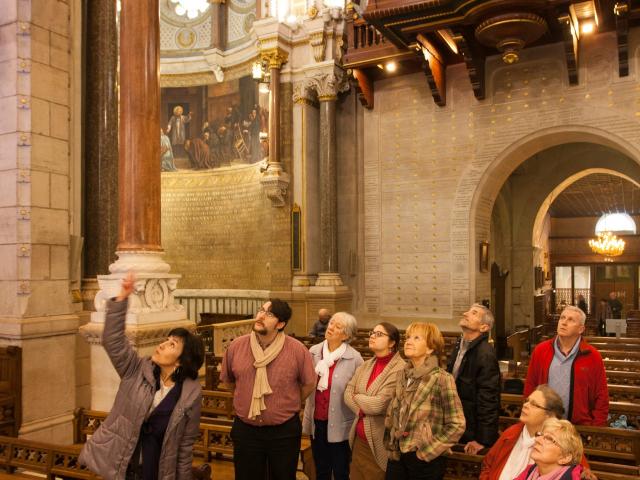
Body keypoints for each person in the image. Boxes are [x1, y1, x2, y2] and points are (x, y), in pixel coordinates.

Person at [79, 273, 204, 479]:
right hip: (123, 466)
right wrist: (121, 300)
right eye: (166, 339)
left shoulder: (190, 394)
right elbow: (113, 341)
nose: (162, 344)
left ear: (182, 360)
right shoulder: (136, 369)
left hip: (156, 470)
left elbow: (185, 446)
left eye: (172, 344)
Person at [220, 299, 316, 480]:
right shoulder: (236, 346)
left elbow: (309, 384)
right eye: (261, 310)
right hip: (246, 430)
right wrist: (245, 398)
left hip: (283, 432)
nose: (261, 316)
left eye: (269, 314)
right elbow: (228, 381)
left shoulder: (297, 350)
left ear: (281, 324)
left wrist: (286, 403)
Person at [384, 322, 466, 480]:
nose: (408, 341)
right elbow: (395, 413)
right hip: (397, 455)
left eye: (416, 338)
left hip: (425, 460)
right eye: (408, 337)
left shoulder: (442, 378)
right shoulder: (402, 375)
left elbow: (457, 424)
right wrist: (391, 443)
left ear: (430, 348)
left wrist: (425, 452)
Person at [480, 385, 591, 480]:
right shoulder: (512, 432)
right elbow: (488, 464)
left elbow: (582, 474)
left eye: (534, 404)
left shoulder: (565, 443)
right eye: (527, 401)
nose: (525, 405)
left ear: (550, 415)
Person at [303, 312, 364, 480]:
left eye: (338, 327)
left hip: (341, 423)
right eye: (331, 323)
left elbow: (359, 391)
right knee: (321, 469)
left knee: (341, 471)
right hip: (317, 421)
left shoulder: (355, 358)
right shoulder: (314, 352)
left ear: (346, 335)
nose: (331, 328)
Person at [524, 306, 609, 425]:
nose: (564, 322)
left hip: (579, 426)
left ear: (581, 329)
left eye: (570, 320)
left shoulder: (592, 356)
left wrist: (596, 428)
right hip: (543, 423)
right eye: (562, 318)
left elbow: (601, 395)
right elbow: (530, 385)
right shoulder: (541, 350)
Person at [345, 322, 405, 480]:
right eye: (372, 332)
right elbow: (347, 393)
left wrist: (357, 396)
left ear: (392, 342)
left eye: (379, 334)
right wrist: (361, 407)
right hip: (359, 440)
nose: (372, 336)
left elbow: (379, 405)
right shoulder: (366, 365)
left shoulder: (400, 368)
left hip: (378, 444)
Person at [446, 304, 500, 454]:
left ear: (484, 327)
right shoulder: (460, 345)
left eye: (473, 313)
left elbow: (489, 399)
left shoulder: (485, 354)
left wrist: (483, 439)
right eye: (468, 311)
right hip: (455, 423)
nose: (465, 313)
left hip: (470, 430)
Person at [514, 418, 585, 480]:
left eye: (549, 438)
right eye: (540, 435)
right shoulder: (530, 470)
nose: (537, 439)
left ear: (565, 457)